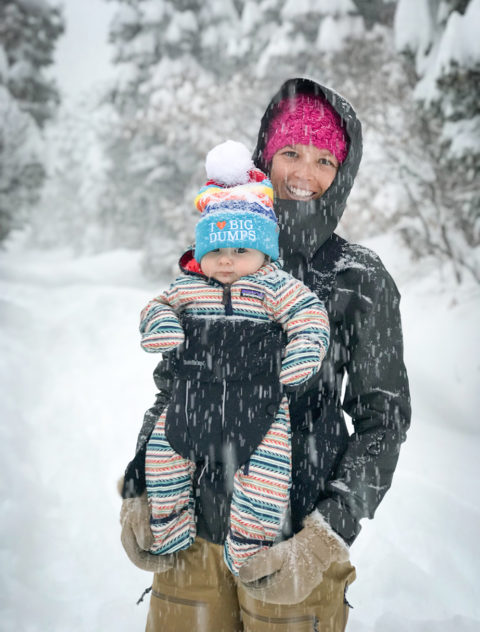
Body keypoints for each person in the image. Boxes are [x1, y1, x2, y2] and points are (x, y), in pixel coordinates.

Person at [120, 78, 411, 632]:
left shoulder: (359, 279)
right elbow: (170, 389)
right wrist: (138, 489)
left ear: (343, 173)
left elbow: (385, 419)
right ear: (264, 155)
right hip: (188, 536)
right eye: (291, 152)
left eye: (325, 158)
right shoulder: (217, 258)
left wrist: (326, 536)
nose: (305, 172)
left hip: (290, 546)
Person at [130, 140, 330, 576]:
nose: (227, 261)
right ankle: (170, 528)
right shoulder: (189, 287)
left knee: (266, 481)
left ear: (264, 252)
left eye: (241, 251)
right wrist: (161, 323)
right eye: (216, 251)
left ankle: (251, 551)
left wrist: (304, 348)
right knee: (163, 459)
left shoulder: (275, 286)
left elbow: (310, 315)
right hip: (190, 406)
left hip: (259, 408)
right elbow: (157, 305)